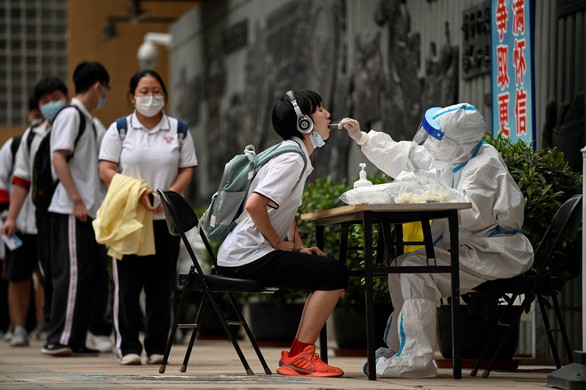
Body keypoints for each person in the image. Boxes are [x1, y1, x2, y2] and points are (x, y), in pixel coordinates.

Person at [338, 103, 534, 378]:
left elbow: (470, 212)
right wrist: (364, 138)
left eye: (436, 137)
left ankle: (416, 361)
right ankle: (399, 350)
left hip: (491, 252)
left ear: (456, 142)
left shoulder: (485, 165)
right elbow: (408, 155)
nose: (428, 141)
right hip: (465, 247)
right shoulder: (455, 154)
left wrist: (428, 193)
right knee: (400, 265)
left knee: (415, 272)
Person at [216, 90, 348, 378]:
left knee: (328, 271)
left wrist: (298, 248)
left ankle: (299, 354)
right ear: (304, 124)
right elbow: (255, 205)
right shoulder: (292, 159)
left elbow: (283, 212)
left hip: (245, 254)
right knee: (333, 273)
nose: (327, 114)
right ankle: (301, 355)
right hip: (246, 256)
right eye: (320, 109)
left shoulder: (293, 155)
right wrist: (278, 244)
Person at [97, 69, 198, 365]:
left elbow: (187, 168)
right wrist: (136, 194)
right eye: (144, 91)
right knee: (127, 289)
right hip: (129, 220)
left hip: (165, 222)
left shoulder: (179, 129)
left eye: (156, 91)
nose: (150, 97)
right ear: (132, 97)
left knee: (160, 289)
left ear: (164, 96)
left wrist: (167, 198)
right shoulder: (119, 129)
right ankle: (128, 346)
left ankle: (156, 346)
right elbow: (106, 168)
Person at [41, 61, 111, 357]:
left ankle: (77, 339)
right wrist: (76, 199)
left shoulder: (86, 119)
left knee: (90, 274)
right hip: (71, 210)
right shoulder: (71, 115)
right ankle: (59, 338)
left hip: (87, 210)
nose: (104, 94)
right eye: (105, 89)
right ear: (97, 86)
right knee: (72, 274)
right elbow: (59, 158)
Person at [1, 83, 69, 347]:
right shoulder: (25, 139)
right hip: (23, 222)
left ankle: (45, 324)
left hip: (54, 220)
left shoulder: (74, 128)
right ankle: (18, 326)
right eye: (43, 102)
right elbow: (17, 180)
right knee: (17, 276)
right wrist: (10, 217)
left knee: (47, 275)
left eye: (56, 99)